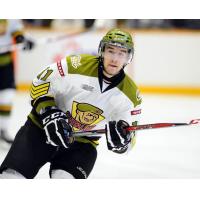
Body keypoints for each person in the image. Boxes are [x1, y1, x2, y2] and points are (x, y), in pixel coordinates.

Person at [0, 28, 142, 179]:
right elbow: (40, 82)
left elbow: (130, 141)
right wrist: (48, 111)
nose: (115, 58)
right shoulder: (75, 65)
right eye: (111, 51)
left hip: (82, 144)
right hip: (40, 131)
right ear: (102, 50)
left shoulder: (131, 96)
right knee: (10, 179)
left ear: (129, 57)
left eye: (121, 53)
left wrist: (121, 141)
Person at [0, 19, 34, 144]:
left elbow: (16, 29)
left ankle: (3, 130)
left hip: (5, 64)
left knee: (6, 97)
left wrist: (22, 39)